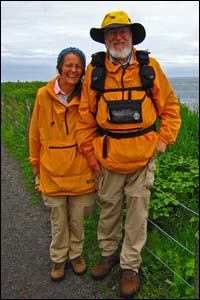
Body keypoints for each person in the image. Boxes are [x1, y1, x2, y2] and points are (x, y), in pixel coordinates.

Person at [75, 10, 181, 298]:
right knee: (108, 209)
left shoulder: (150, 68)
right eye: (111, 33)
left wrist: (163, 142)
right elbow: (85, 118)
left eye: (123, 31)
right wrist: (90, 153)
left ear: (132, 36)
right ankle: (108, 255)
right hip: (107, 156)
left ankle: (129, 267)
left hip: (142, 157)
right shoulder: (94, 72)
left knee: (136, 214)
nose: (117, 37)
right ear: (104, 39)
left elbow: (170, 108)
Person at [29, 47, 96, 282]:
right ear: (59, 67)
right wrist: (36, 166)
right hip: (51, 171)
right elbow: (35, 136)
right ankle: (58, 259)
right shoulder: (42, 95)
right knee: (58, 221)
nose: (73, 70)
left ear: (83, 70)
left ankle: (76, 256)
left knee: (77, 220)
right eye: (69, 64)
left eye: (78, 65)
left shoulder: (88, 96)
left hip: (81, 172)